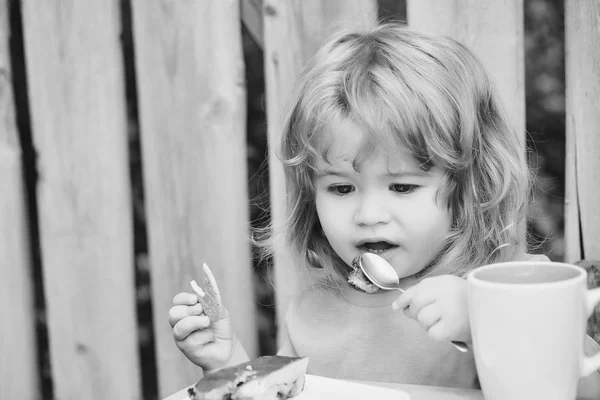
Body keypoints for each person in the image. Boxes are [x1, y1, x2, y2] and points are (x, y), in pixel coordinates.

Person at [168, 23, 600, 391]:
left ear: (468, 185)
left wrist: (486, 319)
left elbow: (583, 385)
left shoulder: (515, 288)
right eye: (341, 189)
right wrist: (228, 364)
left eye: (402, 187)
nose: (368, 214)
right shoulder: (314, 314)